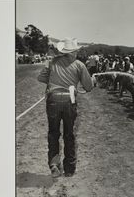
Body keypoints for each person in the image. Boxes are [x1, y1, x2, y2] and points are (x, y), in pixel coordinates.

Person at [38, 38, 93, 177]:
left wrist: (53, 81)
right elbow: (88, 86)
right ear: (74, 51)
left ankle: (54, 164)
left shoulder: (52, 62)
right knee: (69, 134)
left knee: (53, 133)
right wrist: (92, 81)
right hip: (69, 100)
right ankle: (69, 169)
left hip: (53, 99)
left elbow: (41, 77)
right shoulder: (79, 65)